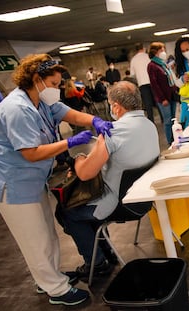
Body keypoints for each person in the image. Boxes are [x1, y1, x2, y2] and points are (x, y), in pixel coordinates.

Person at [0, 54, 113, 306]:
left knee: (47, 232)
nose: (57, 89)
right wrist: (69, 142)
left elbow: (70, 114)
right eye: (55, 83)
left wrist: (95, 121)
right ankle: (55, 290)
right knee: (34, 238)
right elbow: (31, 153)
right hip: (12, 184)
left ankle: (48, 276)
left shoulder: (41, 101)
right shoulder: (17, 109)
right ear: (37, 80)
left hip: (34, 180)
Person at [56, 81, 160, 279]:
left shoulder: (113, 132)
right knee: (87, 207)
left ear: (116, 107)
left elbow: (85, 173)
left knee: (68, 211)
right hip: (144, 200)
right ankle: (105, 252)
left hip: (118, 204)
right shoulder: (149, 124)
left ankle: (97, 262)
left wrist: (77, 158)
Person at [147, 42, 178, 145]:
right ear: (155, 52)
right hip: (163, 98)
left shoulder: (163, 64)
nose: (163, 52)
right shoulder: (152, 65)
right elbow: (154, 84)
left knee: (174, 120)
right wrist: (162, 98)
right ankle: (170, 141)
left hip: (171, 95)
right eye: (161, 50)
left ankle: (176, 138)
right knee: (168, 120)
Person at [130, 43, 157, 123]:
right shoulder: (148, 56)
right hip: (152, 82)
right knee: (157, 100)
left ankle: (151, 120)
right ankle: (163, 117)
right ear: (143, 48)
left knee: (148, 103)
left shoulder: (133, 59)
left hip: (142, 83)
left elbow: (132, 74)